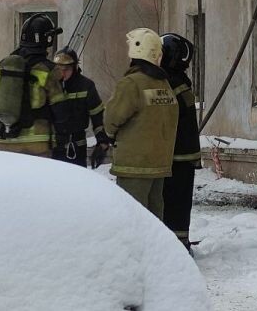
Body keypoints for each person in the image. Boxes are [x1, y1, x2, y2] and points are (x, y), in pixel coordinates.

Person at [101, 28, 178, 218]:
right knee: (154, 216)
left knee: (133, 217)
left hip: (134, 165)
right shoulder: (164, 84)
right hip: (159, 163)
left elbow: (112, 118)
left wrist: (109, 135)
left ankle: (136, 250)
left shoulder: (131, 83)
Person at [0, 14, 68, 158]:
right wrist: (62, 139)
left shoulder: (2, 66)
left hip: (6, 142)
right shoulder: (48, 70)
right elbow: (60, 109)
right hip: (38, 145)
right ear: (48, 39)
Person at [159, 33, 201, 250]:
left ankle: (177, 246)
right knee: (180, 202)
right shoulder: (179, 81)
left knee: (174, 201)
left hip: (176, 155)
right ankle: (179, 242)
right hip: (183, 154)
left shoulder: (169, 83)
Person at [52, 47, 104, 167]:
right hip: (54, 147)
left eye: (67, 69)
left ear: (74, 68)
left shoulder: (86, 86)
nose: (62, 73)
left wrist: (102, 142)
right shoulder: (50, 86)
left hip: (77, 146)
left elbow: (97, 116)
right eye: (59, 69)